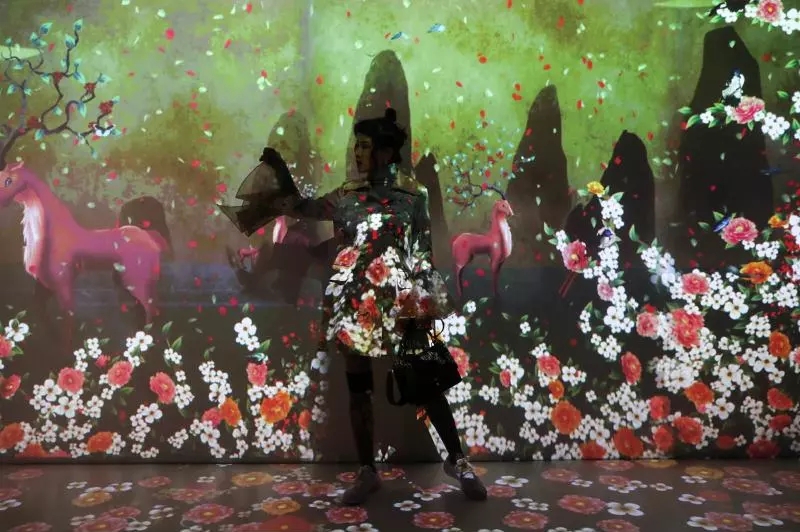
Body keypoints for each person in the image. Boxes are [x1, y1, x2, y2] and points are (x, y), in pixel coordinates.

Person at [219, 108, 486, 505]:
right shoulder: (345, 197)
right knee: (359, 389)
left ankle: (458, 462)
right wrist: (278, 174)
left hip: (401, 303)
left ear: (385, 152)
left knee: (428, 384)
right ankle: (367, 471)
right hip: (354, 303)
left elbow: (422, 255)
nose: (358, 153)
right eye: (357, 146)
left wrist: (424, 308)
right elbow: (302, 208)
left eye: (365, 146)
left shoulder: (413, 198)